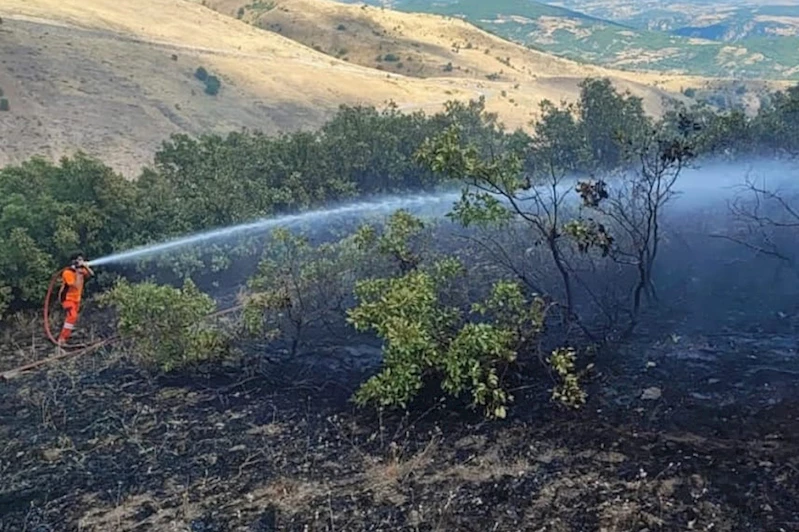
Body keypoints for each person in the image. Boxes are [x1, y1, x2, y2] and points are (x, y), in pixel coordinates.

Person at [57, 252, 94, 346]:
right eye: (79, 260)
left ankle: (66, 334)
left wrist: (86, 267)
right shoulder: (67, 272)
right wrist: (78, 272)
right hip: (67, 298)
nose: (81, 261)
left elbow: (91, 275)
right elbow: (76, 286)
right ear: (74, 261)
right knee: (72, 316)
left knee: (72, 318)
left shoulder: (81, 270)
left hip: (76, 299)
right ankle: (62, 339)